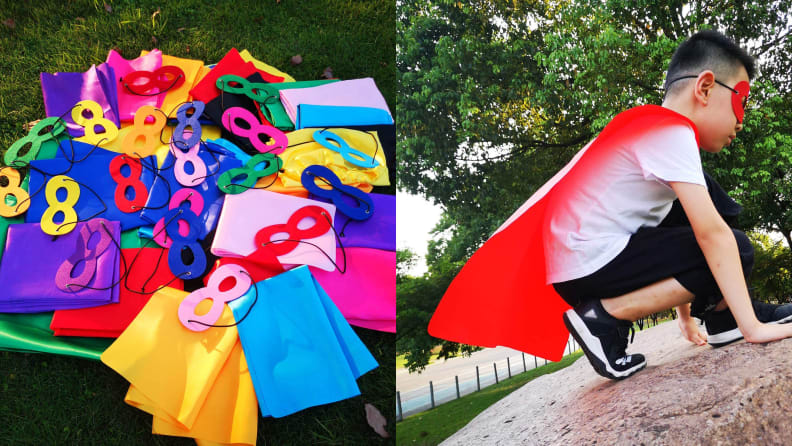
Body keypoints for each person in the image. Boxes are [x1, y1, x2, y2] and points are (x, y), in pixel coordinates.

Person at [427, 30, 792, 380]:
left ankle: (722, 315)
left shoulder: (654, 132)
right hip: (592, 261)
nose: (742, 122)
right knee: (735, 246)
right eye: (741, 101)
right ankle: (604, 318)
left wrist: (685, 316)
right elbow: (711, 237)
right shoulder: (672, 133)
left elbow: (677, 231)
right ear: (705, 87)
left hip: (579, 267)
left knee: (712, 201)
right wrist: (753, 328)